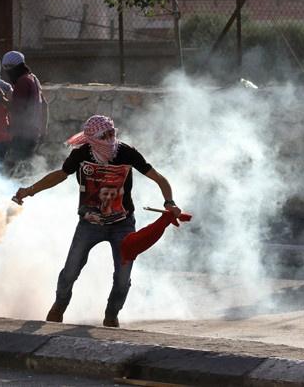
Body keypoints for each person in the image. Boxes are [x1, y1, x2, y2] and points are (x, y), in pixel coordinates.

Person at [13, 115, 182, 328]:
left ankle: (111, 315)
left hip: (122, 224)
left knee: (123, 277)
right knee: (70, 271)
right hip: (89, 224)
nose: (110, 139)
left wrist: (169, 202)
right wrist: (30, 190)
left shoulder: (127, 153)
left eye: (112, 133)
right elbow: (60, 175)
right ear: (92, 139)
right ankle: (59, 305)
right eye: (104, 136)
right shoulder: (82, 154)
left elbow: (158, 178)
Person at [2, 51, 47, 170]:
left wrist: (3, 100)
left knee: (12, 170)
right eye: (5, 67)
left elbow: (18, 108)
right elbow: (44, 105)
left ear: (18, 66)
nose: (7, 71)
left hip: (22, 136)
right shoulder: (33, 79)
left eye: (9, 67)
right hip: (33, 133)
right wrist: (43, 130)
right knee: (25, 169)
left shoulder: (22, 82)